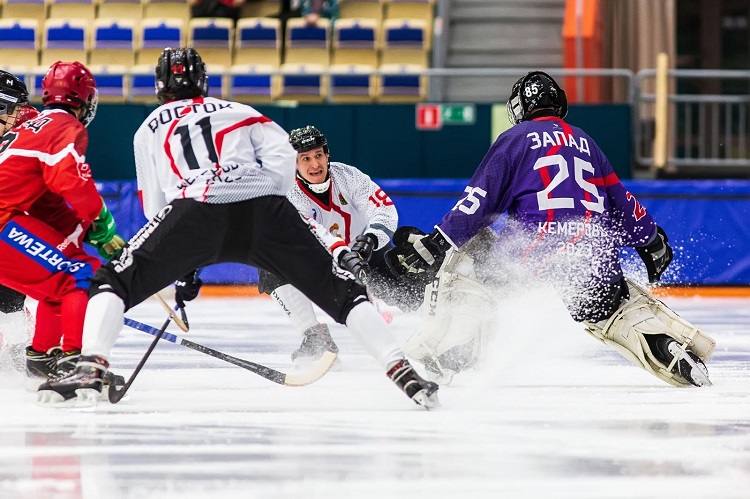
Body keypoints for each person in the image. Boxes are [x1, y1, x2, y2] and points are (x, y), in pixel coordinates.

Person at [38, 47, 439, 409]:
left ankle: (91, 366)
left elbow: (155, 205)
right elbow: (283, 153)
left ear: (161, 88)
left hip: (195, 210)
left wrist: (183, 263)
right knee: (344, 292)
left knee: (111, 282)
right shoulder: (239, 110)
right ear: (204, 83)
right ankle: (400, 368)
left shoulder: (149, 127)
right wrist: (274, 203)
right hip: (264, 210)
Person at [385, 71, 715, 388]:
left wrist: (434, 244)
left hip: (533, 252)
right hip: (592, 251)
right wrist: (650, 241)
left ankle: (451, 349)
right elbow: (624, 203)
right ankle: (664, 345)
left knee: (468, 256)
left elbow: (476, 205)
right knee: (610, 311)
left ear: (519, 108)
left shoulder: (513, 140)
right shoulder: (585, 141)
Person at [257, 125, 428, 364]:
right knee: (270, 264)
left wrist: (370, 240)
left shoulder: (348, 176)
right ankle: (314, 336)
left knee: (410, 291)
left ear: (327, 155)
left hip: (365, 255)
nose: (314, 164)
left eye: (318, 155)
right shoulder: (288, 193)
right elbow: (303, 237)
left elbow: (383, 209)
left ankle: (442, 326)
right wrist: (341, 254)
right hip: (320, 261)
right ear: (293, 163)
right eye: (305, 158)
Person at [0, 64, 125, 381]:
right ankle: (73, 360)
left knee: (64, 276)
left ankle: (43, 354)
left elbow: (47, 202)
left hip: (7, 219)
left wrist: (81, 231)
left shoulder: (32, 127)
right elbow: (71, 180)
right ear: (86, 100)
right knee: (77, 274)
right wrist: (101, 222)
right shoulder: (62, 126)